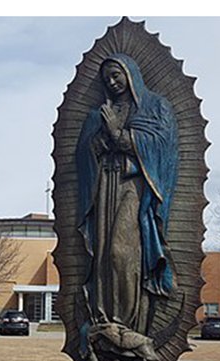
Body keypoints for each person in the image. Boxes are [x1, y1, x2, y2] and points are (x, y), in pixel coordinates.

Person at [75, 55, 178, 342]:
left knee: (123, 251)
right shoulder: (99, 113)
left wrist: (119, 135)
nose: (111, 81)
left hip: (134, 188)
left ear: (131, 74)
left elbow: (162, 147)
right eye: (106, 77)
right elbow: (84, 154)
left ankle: (128, 322)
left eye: (116, 74)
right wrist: (100, 140)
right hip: (104, 187)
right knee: (104, 254)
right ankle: (104, 318)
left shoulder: (154, 107)